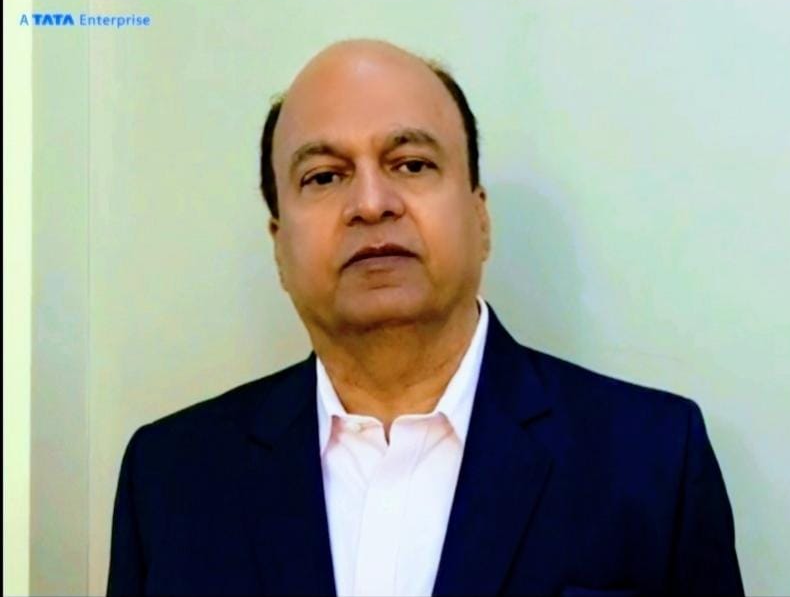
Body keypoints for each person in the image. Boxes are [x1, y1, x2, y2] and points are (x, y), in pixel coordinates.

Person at [106, 39, 744, 596]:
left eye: (411, 164)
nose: (371, 203)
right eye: (324, 177)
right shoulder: (169, 480)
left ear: (480, 216)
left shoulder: (653, 461)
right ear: (279, 244)